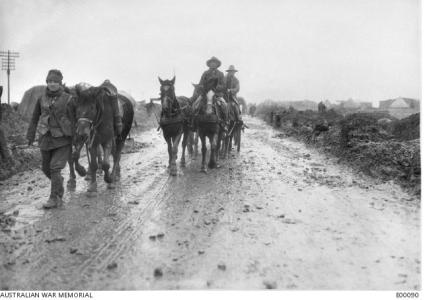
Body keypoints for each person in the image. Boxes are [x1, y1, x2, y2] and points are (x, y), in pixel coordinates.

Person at [26, 69, 74, 209]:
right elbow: (35, 118)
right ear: (47, 82)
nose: (52, 84)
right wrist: (30, 135)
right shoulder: (41, 99)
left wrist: (76, 140)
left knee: (54, 167)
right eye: (50, 81)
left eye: (55, 82)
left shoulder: (68, 99)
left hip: (63, 139)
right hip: (45, 138)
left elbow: (74, 119)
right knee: (46, 168)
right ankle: (58, 184)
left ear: (60, 83)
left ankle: (54, 198)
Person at [193, 56, 227, 130]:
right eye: (212, 62)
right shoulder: (205, 73)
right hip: (205, 93)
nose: (213, 64)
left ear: (217, 64)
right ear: (209, 64)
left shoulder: (220, 74)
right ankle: (194, 123)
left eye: (214, 63)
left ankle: (224, 123)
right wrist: (202, 87)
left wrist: (216, 88)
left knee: (224, 105)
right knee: (195, 104)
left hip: (217, 94)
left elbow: (223, 85)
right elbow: (201, 83)